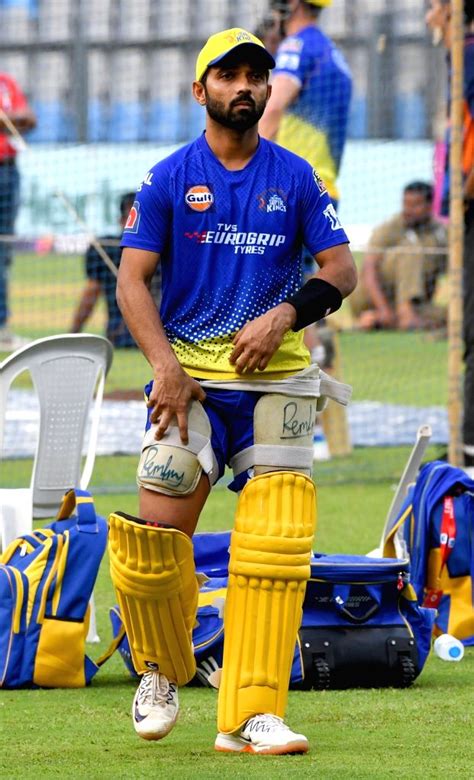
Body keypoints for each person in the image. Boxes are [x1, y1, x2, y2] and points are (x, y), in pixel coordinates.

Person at [108, 27, 356, 756]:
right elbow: (131, 281)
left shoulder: (298, 176)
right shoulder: (166, 177)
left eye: (255, 75)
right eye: (228, 76)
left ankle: (253, 712)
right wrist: (164, 368)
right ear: (201, 90)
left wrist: (285, 313)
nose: (244, 86)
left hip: (276, 380)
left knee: (273, 551)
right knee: (156, 547)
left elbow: (341, 271)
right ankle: (159, 670)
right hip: (188, 382)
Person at [426, 0, 474, 466]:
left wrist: (462, 190)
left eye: (435, 7)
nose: (428, 18)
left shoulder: (469, 54)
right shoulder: (458, 56)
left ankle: (469, 445)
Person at [350, 181, 448, 331]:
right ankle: (402, 313)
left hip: (414, 304)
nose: (408, 210)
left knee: (453, 316)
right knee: (410, 250)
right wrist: (383, 309)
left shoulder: (440, 233)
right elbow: (368, 271)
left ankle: (376, 320)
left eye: (415, 205)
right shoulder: (389, 228)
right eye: (406, 203)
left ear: (429, 206)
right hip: (374, 297)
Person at [70, 192, 159, 347]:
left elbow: (90, 295)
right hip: (124, 338)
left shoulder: (168, 249)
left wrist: (72, 333)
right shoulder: (104, 248)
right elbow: (90, 295)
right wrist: (73, 334)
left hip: (158, 337)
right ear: (122, 220)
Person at [0, 72, 36, 351]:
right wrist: (13, 120)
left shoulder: (6, 81)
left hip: (7, 169)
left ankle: (2, 325)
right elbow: (18, 119)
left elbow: (30, 118)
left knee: (4, 251)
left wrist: (6, 120)